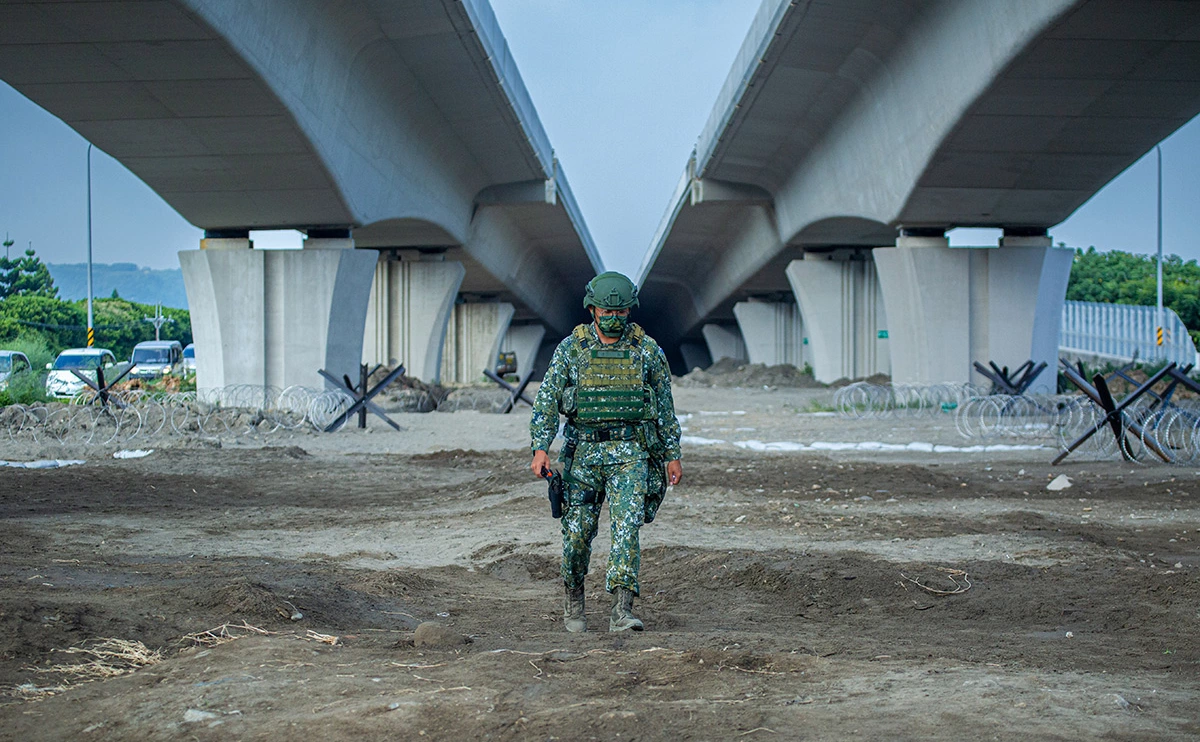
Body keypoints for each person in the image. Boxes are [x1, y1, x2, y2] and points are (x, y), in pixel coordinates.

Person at [530, 271, 683, 632]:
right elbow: (547, 400)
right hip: (583, 456)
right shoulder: (571, 349)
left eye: (620, 313)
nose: (613, 318)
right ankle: (574, 594)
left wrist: (671, 453)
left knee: (627, 529)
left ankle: (622, 608)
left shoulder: (646, 351)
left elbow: (664, 405)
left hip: (630, 453)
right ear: (592, 309)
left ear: (630, 311)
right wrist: (540, 448)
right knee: (578, 534)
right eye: (606, 312)